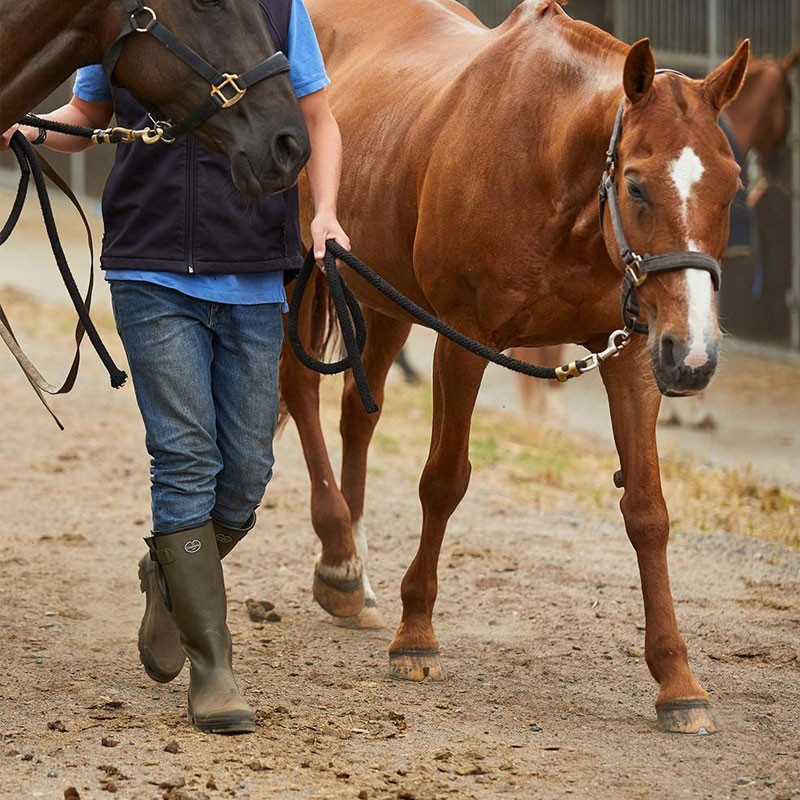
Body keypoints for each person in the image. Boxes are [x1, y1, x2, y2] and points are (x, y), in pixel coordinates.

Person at [3, 0, 349, 735]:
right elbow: (91, 111)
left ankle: (169, 574)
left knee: (247, 471)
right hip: (151, 263)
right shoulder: (130, 11)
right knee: (186, 456)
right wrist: (27, 126)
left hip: (256, 267)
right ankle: (213, 667)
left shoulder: (278, 7)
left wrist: (325, 213)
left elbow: (317, 117)